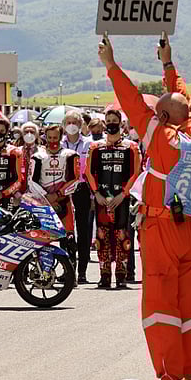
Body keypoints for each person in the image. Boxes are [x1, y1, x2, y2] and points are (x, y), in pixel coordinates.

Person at [100, 32, 191, 380]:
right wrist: (168, 64)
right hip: (190, 229)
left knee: (159, 309)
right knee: (187, 309)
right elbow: (185, 98)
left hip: (161, 227)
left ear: (162, 114)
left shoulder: (157, 132)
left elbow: (130, 99)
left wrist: (112, 65)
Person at [85, 109, 141, 289]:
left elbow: (136, 172)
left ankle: (122, 275)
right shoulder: (95, 147)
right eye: (108, 120)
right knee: (102, 236)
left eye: (114, 120)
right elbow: (89, 172)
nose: (111, 123)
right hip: (102, 198)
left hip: (122, 199)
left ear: (120, 122)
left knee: (122, 236)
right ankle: (104, 274)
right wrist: (97, 194)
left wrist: (123, 194)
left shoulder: (131, 146)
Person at [30, 125, 80, 281]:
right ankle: (41, 271)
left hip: (63, 201)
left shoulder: (70, 155)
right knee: (41, 238)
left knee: (68, 238)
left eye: (55, 138)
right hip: (43, 203)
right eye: (50, 138)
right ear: (45, 136)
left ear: (61, 137)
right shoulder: (37, 156)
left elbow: (75, 179)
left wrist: (58, 194)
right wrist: (46, 196)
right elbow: (31, 181)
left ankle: (70, 273)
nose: (53, 141)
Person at [62, 111, 95, 283]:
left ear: (81, 124)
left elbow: (92, 170)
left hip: (82, 189)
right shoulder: (58, 144)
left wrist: (92, 196)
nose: (71, 125)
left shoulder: (89, 145)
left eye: (75, 121)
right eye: (68, 122)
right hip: (63, 190)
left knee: (83, 231)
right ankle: (68, 269)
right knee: (65, 232)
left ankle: (82, 270)